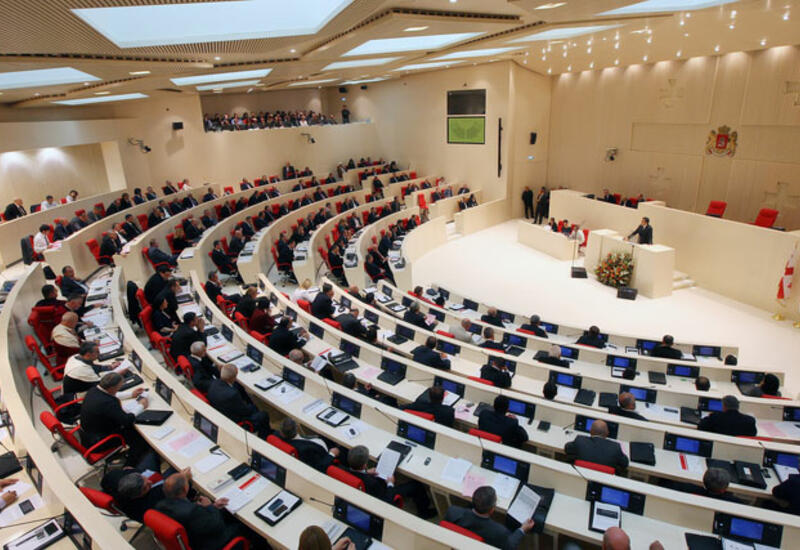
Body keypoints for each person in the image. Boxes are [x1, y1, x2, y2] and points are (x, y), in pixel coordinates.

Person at [80, 373, 156, 469]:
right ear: (112, 388)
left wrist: (131, 394)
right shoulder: (108, 403)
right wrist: (141, 406)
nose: (119, 389)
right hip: (100, 441)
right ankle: (129, 466)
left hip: (88, 434)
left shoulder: (94, 390)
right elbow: (127, 420)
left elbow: (110, 395)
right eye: (118, 387)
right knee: (140, 439)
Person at [156, 472, 248, 550]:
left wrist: (213, 506)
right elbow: (217, 525)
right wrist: (210, 506)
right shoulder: (192, 511)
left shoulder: (160, 506)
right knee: (244, 526)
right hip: (209, 543)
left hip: (192, 535)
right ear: (185, 489)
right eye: (187, 482)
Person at [346, 445, 435, 518]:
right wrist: (390, 484)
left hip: (368, 486)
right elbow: (387, 501)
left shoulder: (346, 470)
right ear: (365, 464)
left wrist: (366, 472)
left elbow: (360, 474)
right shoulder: (372, 483)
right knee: (416, 485)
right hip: (383, 496)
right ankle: (424, 512)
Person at [444, 486, 534, 550]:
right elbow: (510, 546)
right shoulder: (500, 532)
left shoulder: (453, 511)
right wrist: (522, 529)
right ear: (492, 510)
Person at [208, 364, 270, 438]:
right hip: (235, 422)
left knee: (238, 386)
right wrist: (252, 407)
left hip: (220, 412)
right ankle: (264, 437)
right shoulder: (232, 394)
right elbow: (245, 412)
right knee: (263, 414)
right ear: (233, 377)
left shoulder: (214, 383)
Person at [101, 467, 168, 522]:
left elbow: (127, 469)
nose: (150, 482)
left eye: (145, 478)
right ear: (137, 496)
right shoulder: (152, 505)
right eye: (145, 488)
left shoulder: (112, 477)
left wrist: (132, 470)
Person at [564, 419, 628, 474]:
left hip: (580, 475)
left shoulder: (580, 440)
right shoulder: (615, 447)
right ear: (607, 433)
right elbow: (625, 463)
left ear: (590, 431)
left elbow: (567, 448)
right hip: (605, 480)